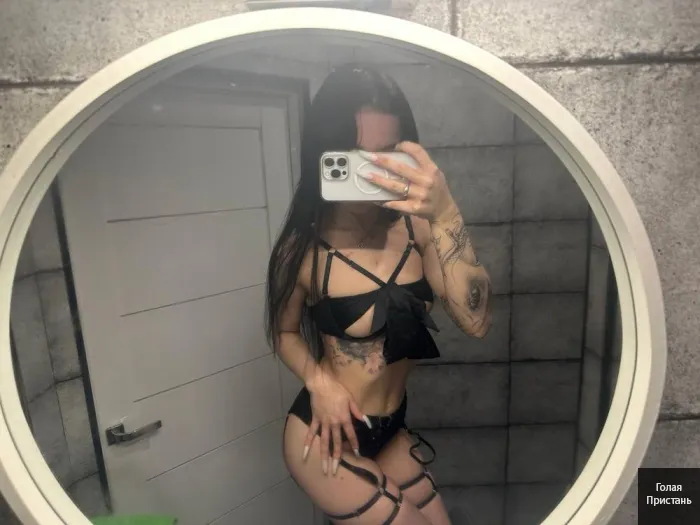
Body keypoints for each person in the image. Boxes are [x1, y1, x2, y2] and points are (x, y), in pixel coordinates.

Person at [265, 65, 492, 525]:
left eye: (386, 154)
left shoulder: (420, 228)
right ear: (324, 155)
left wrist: (447, 213)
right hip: (324, 433)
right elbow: (284, 332)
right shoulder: (301, 249)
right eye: (352, 155)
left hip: (390, 428)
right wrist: (320, 383)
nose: (370, 171)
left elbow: (476, 322)